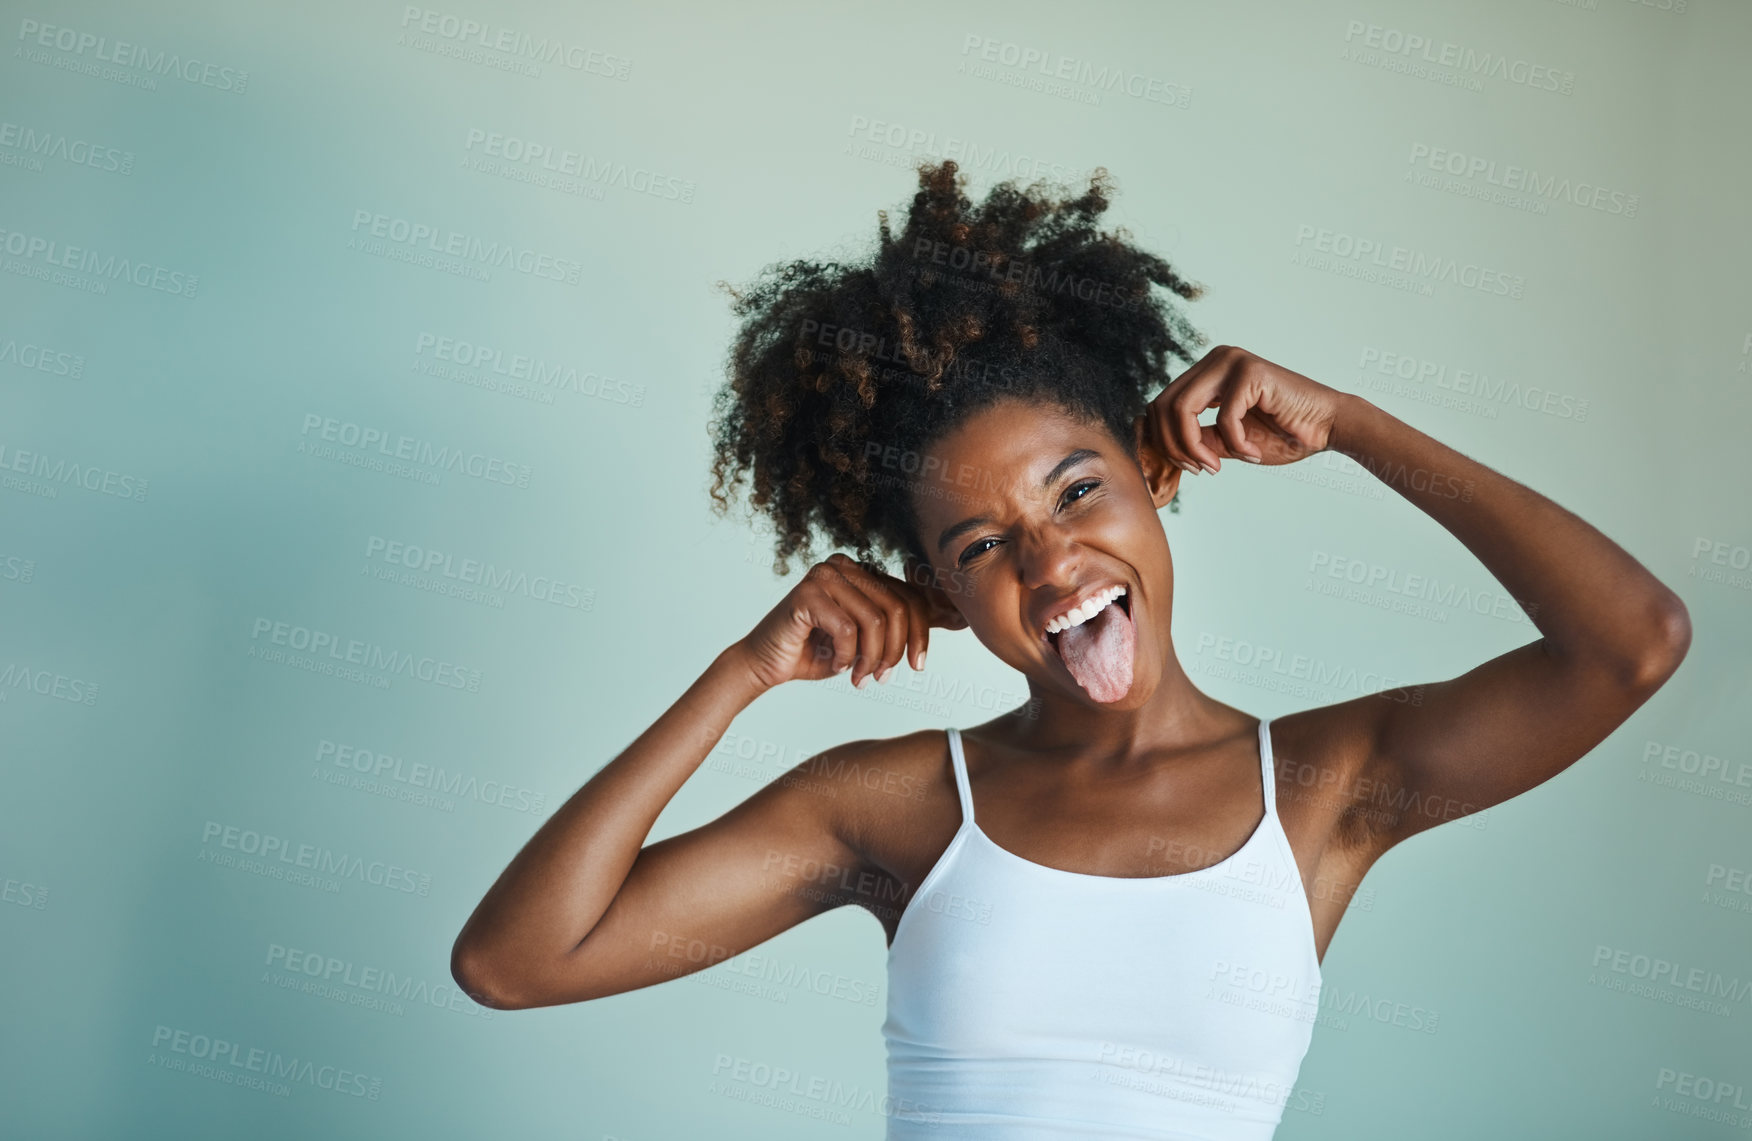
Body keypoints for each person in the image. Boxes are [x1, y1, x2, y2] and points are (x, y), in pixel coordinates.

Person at [449, 161, 1691, 1138]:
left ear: (1158, 480)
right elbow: (514, 962)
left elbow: (1631, 643)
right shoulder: (892, 804)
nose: (1050, 566)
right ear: (937, 587)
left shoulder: (1323, 789)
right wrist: (744, 672)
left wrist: (1355, 425)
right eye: (983, 546)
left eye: (1078, 490)